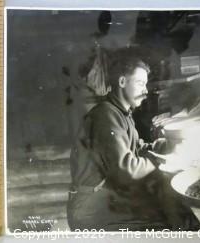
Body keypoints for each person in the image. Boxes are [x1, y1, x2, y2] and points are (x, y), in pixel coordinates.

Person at [67, 49, 169, 231]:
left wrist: (160, 146)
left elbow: (136, 148)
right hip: (89, 207)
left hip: (103, 197)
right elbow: (126, 170)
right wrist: (158, 159)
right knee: (162, 222)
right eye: (140, 83)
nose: (145, 91)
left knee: (161, 208)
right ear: (122, 82)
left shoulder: (122, 114)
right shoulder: (105, 116)